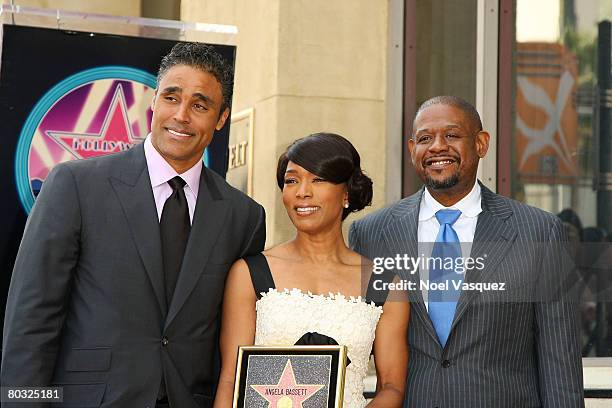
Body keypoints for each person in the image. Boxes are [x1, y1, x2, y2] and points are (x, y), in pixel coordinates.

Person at [1, 43, 265, 408]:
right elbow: (31, 321)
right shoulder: (75, 185)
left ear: (221, 119)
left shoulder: (244, 217)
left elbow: (235, 335)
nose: (182, 115)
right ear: (154, 102)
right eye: (172, 98)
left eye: (200, 105)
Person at [349, 96, 584, 407]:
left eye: (451, 135)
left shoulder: (539, 232)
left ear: (481, 143)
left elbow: (560, 359)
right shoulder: (370, 234)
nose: (436, 147)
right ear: (411, 150)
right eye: (425, 138)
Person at [213, 133, 409, 408]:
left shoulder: (385, 284)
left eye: (318, 179)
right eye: (291, 180)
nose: (302, 191)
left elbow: (392, 386)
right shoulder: (249, 273)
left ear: (347, 193)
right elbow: (230, 380)